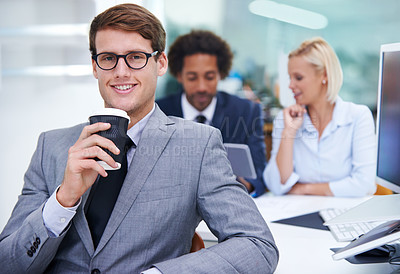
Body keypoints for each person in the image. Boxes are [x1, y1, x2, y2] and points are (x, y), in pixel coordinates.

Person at [0, 3, 278, 273]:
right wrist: (63, 200)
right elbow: (7, 263)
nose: (121, 71)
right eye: (108, 58)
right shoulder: (51, 146)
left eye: (136, 57)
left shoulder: (199, 146)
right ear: (95, 67)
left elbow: (257, 245)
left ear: (160, 63)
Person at [157, 30, 267, 197]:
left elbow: (259, 173)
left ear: (221, 75)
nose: (201, 87)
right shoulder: (159, 112)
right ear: (179, 76)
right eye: (192, 78)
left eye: (209, 77)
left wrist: (245, 185)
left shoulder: (246, 112)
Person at [263, 37, 376, 197]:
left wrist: (304, 189)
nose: (290, 85)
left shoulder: (358, 116)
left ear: (324, 75)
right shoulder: (286, 118)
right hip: (297, 213)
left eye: (298, 78)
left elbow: (364, 185)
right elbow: (276, 184)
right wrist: (288, 134)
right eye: (290, 77)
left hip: (343, 215)